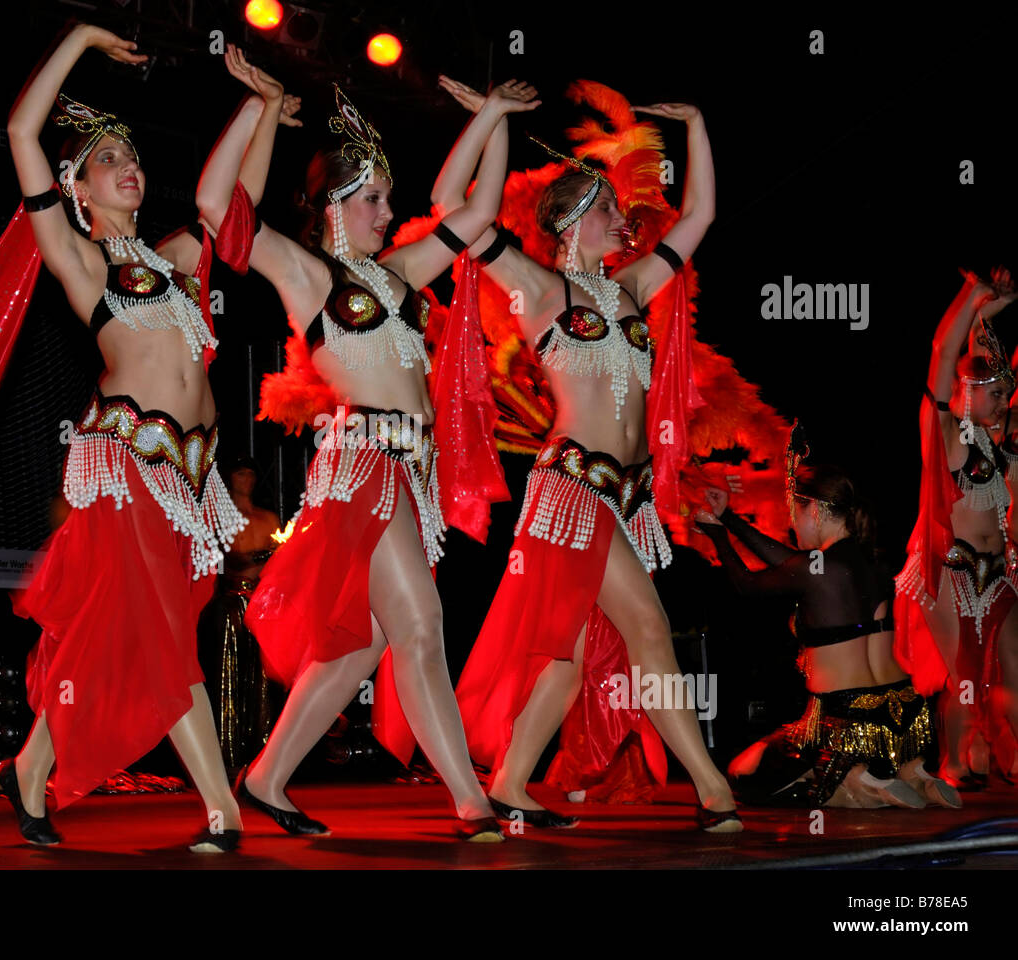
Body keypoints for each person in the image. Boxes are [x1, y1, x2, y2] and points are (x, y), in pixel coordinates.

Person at [0, 23, 291, 852]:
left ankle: (29, 768)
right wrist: (83, 37)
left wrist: (259, 106)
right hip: (126, 467)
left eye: (133, 154)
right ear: (77, 190)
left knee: (122, 634)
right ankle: (223, 810)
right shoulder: (80, 260)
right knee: (164, 641)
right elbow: (24, 130)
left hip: (189, 482)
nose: (130, 165)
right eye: (107, 159)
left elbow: (233, 205)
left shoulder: (172, 258)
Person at [199, 48, 538, 840]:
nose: (390, 212)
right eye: (376, 198)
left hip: (407, 476)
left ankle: (267, 777)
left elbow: (476, 215)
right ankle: (470, 800)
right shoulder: (308, 276)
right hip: (363, 468)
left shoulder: (397, 275)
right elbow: (220, 206)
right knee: (421, 628)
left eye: (388, 196)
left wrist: (491, 116)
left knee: (364, 647)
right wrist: (259, 108)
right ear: (333, 204)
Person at [450, 98, 743, 831]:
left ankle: (512, 783)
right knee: (648, 627)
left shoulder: (634, 288)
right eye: (610, 208)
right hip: (574, 487)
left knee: (569, 660)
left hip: (628, 496)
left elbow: (700, 215)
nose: (625, 220)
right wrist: (491, 120)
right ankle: (713, 791)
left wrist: (698, 125)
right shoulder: (542, 290)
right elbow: (453, 205)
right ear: (571, 221)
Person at [695, 453, 958, 809]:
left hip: (842, 720)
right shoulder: (870, 561)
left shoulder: (814, 569)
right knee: (875, 743)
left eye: (795, 514)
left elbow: (745, 584)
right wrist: (729, 518)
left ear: (815, 511)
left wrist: (716, 534)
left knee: (743, 771)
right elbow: (790, 563)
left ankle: (854, 781)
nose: (792, 523)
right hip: (906, 715)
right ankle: (914, 773)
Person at [896, 270, 1018, 791]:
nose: (1002, 401)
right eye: (992, 392)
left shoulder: (996, 441)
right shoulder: (946, 430)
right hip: (951, 570)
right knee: (965, 674)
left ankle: (994, 750)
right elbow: (946, 352)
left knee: (1012, 671)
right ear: (964, 392)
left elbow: (974, 349)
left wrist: (989, 311)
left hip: (1000, 572)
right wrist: (971, 295)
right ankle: (954, 761)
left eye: (1004, 392)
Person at [197, 457, 285, 773]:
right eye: (239, 472)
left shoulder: (268, 519)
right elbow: (221, 560)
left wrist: (269, 558)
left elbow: (277, 563)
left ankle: (262, 754)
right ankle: (226, 756)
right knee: (228, 677)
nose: (246, 478)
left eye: (250, 472)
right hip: (228, 603)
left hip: (262, 602)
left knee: (262, 678)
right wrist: (251, 557)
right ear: (229, 477)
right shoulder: (218, 518)